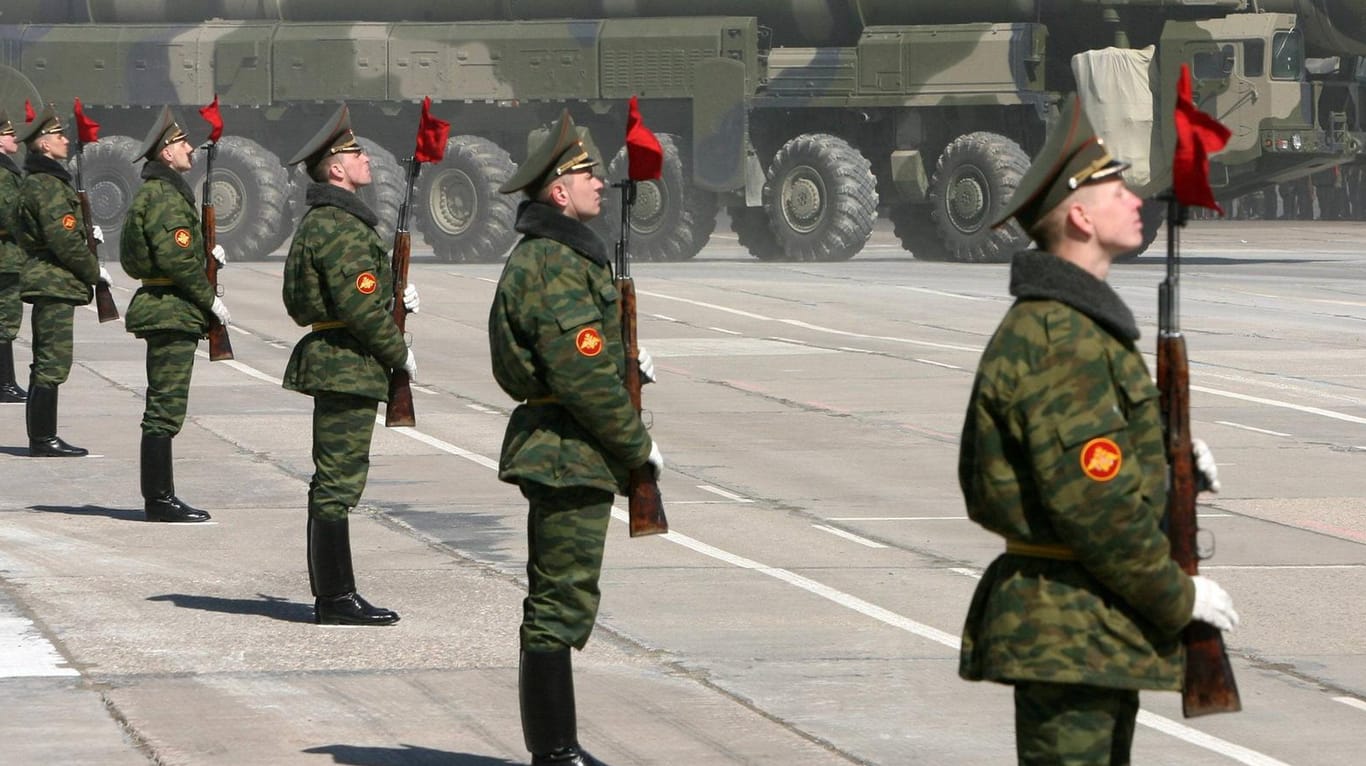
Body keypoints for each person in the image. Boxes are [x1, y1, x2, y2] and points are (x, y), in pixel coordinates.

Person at [956, 95, 1240, 765]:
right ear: (1080, 216)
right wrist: (1177, 597)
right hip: (1070, 629)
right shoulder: (1062, 336)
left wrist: (1167, 462)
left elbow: (1095, 467)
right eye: (1115, 187)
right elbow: (1094, 504)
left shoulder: (1080, 328)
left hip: (1093, 626)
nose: (1134, 197)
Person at [488, 109, 663, 766]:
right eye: (587, 173)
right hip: (566, 451)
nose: (600, 182)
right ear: (557, 191)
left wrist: (626, 362)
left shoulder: (558, 257)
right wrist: (636, 445)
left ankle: (557, 748)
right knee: (559, 601)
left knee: (561, 597)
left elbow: (581, 359)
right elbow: (579, 375)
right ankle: (555, 753)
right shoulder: (554, 264)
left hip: (568, 444)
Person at [281, 104, 418, 626]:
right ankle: (335, 598)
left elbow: (302, 301)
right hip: (347, 364)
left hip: (337, 359)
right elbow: (358, 307)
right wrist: (397, 350)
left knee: (333, 480)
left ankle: (334, 594)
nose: (365, 158)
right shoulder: (342, 225)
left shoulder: (322, 222)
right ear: (335, 169)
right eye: (354, 151)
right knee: (338, 482)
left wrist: (394, 295)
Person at [119, 106, 232, 522]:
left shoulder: (155, 193)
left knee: (162, 403)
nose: (189, 149)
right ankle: (159, 498)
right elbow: (177, 260)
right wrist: (209, 299)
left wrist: (206, 253)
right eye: (182, 143)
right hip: (171, 311)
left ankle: (159, 495)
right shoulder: (165, 196)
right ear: (166, 153)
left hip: (165, 307)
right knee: (165, 406)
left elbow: (147, 257)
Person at [17, 103, 113, 457]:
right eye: (58, 135)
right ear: (42, 144)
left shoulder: (43, 183)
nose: (65, 140)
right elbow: (63, 241)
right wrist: (93, 270)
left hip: (50, 280)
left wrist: (89, 236)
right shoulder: (48, 187)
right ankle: (43, 438)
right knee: (52, 362)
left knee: (49, 360)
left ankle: (43, 436)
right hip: (54, 282)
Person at [0, 109, 27, 403]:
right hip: (5, 256)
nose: (14, 137)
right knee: (5, 321)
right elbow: (10, 216)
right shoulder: (4, 174)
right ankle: (4, 383)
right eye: (8, 133)